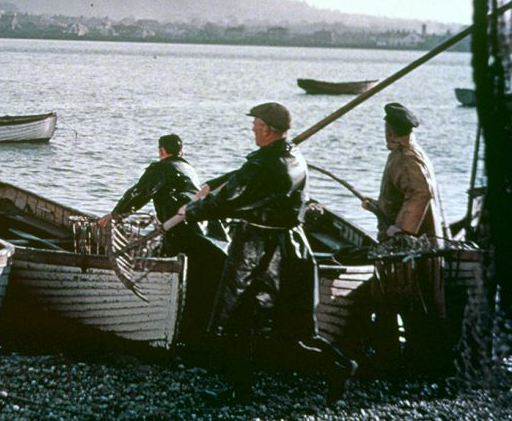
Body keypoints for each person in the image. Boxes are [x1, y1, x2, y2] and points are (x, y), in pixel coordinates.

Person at [182, 102, 356, 404]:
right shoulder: (294, 157)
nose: (252, 129)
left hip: (257, 251)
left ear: (265, 128)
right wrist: (214, 183)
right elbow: (245, 179)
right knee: (293, 329)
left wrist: (190, 211)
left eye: (255, 125)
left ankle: (240, 390)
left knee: (237, 322)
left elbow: (230, 199)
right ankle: (338, 365)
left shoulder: (262, 165)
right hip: (293, 248)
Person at [98, 134, 226, 342]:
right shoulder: (188, 168)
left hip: (182, 229)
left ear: (161, 151)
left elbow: (139, 193)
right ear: (181, 152)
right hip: (200, 228)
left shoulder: (161, 168)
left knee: (179, 256)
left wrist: (115, 214)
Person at [362, 102, 452, 373]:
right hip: (420, 242)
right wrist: (377, 208)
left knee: (404, 298)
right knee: (415, 299)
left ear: (389, 130)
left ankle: (399, 360)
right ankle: (412, 357)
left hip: (410, 246)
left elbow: (419, 194)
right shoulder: (413, 153)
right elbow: (408, 195)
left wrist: (400, 231)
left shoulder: (404, 157)